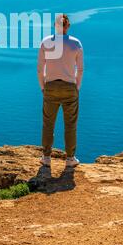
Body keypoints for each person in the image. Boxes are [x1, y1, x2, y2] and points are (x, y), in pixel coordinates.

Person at [37, 13, 84, 168]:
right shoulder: (76, 43)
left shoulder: (46, 42)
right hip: (70, 87)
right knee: (70, 125)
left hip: (50, 86)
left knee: (48, 124)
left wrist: (43, 87)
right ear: (68, 26)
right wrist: (76, 87)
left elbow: (39, 69)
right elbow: (81, 70)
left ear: (55, 26)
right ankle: (70, 159)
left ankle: (46, 157)